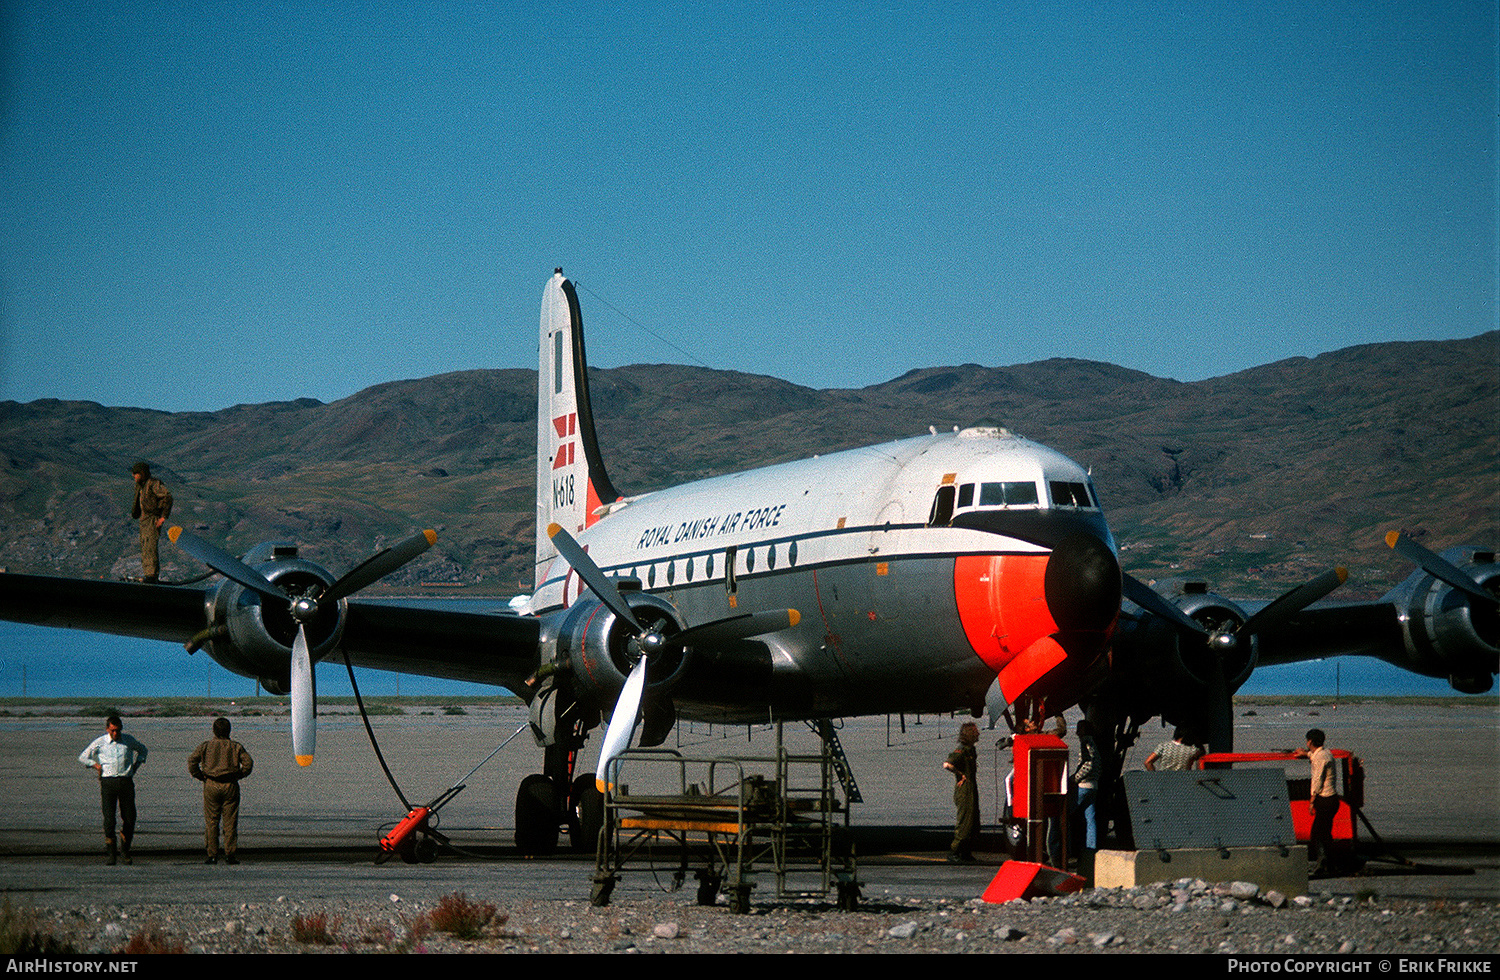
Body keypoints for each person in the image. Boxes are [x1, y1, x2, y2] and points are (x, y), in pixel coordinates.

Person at [78, 715, 148, 865]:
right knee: (109, 820)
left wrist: (137, 765)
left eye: (117, 731)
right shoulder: (100, 742)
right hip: (108, 782)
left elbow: (143, 750)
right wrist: (95, 765)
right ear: (107, 729)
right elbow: (83, 757)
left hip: (126, 781)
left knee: (130, 818)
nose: (115, 734)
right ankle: (111, 854)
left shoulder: (128, 740)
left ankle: (125, 851)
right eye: (112, 731)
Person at [188, 718, 254, 865]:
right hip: (230, 785)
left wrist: (201, 776)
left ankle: (212, 855)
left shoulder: (206, 746)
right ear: (229, 730)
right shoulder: (235, 747)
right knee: (230, 822)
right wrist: (240, 775)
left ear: (214, 730)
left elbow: (192, 761)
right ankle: (230, 854)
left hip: (211, 784)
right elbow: (248, 763)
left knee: (211, 821)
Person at [1295, 728, 1339, 875]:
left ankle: (1322, 864)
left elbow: (1317, 779)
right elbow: (1316, 757)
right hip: (1332, 800)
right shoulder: (1325, 753)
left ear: (1310, 741)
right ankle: (1329, 864)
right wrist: (1306, 754)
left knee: (1317, 834)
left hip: (1324, 800)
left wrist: (1312, 800)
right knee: (1325, 833)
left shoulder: (1320, 757)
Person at [129, 461, 173, 583]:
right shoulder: (140, 486)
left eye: (136, 473)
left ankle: (152, 575)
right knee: (145, 545)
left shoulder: (153, 484)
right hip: (144, 519)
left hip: (152, 518)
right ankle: (148, 573)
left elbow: (167, 497)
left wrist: (163, 517)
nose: (134, 475)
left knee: (150, 545)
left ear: (142, 473)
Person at [943, 721, 981, 863]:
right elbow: (947, 764)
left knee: (973, 822)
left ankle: (965, 852)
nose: (978, 733)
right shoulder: (962, 750)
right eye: (975, 731)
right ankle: (955, 851)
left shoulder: (971, 750)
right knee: (964, 822)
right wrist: (959, 774)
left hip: (971, 789)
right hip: (964, 791)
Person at [1072, 719, 1100, 853]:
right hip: (1094, 785)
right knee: (1091, 818)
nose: (1077, 732)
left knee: (1069, 813)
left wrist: (1075, 778)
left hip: (1083, 785)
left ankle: (1068, 846)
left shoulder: (1085, 742)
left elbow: (1088, 764)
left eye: (1079, 729)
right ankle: (1091, 848)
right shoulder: (1094, 743)